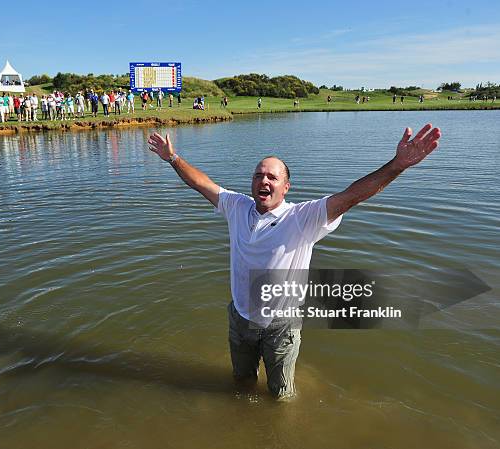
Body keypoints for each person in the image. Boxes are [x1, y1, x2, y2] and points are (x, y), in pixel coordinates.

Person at [146, 123, 442, 399]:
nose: (264, 180)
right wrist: (173, 158)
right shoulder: (236, 206)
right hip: (240, 318)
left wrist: (397, 166)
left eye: (272, 177)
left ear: (286, 187)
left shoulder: (303, 217)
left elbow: (352, 196)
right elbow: (201, 183)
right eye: (258, 175)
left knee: (280, 395)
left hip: (281, 325)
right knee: (240, 381)